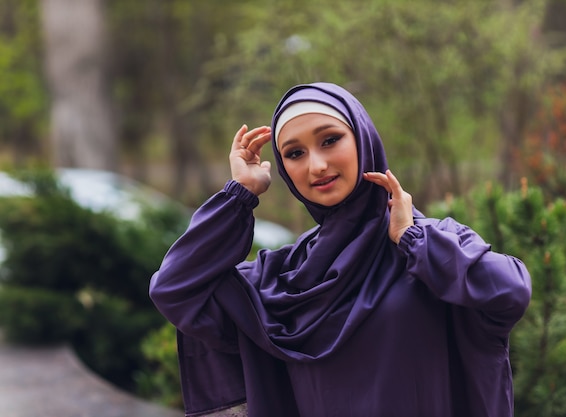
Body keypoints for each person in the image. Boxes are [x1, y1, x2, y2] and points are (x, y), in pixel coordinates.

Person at [149, 82, 532, 417]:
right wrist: (240, 196)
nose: (316, 165)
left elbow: (510, 291)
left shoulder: (429, 246)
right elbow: (175, 288)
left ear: (362, 139)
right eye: (295, 153)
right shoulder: (284, 278)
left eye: (330, 139)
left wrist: (414, 241)